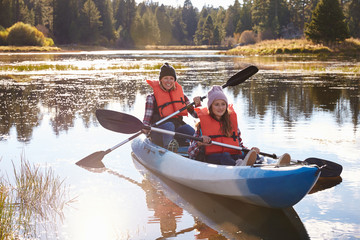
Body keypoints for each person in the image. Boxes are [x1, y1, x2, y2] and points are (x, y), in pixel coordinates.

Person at [188, 85, 291, 166]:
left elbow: (239, 146)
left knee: (250, 154)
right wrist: (199, 143)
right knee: (225, 156)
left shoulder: (232, 124)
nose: (220, 108)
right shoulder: (202, 126)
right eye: (216, 104)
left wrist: (250, 151)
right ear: (210, 107)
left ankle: (270, 165)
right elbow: (191, 153)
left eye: (223, 104)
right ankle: (241, 166)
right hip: (213, 158)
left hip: (234, 155)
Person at [143, 62, 199, 150]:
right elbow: (146, 121)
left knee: (189, 130)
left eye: (171, 78)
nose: (169, 81)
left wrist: (196, 104)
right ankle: (168, 149)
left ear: (174, 80)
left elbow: (195, 115)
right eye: (166, 78)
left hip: (176, 131)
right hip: (159, 132)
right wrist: (144, 128)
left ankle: (197, 151)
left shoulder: (182, 97)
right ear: (160, 80)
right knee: (169, 125)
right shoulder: (152, 98)